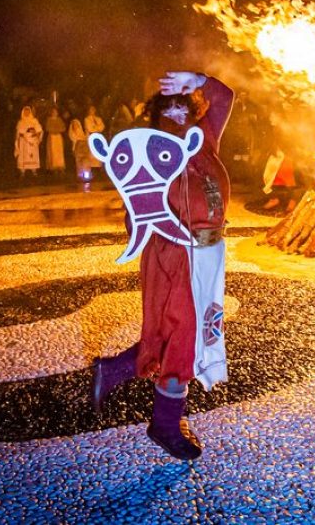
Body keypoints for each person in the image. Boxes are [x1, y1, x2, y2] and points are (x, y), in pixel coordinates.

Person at [91, 70, 234, 461]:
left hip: (209, 253)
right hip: (175, 253)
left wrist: (195, 78)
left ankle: (116, 370)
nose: (177, 114)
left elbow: (223, 97)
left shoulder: (203, 140)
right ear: (155, 117)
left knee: (191, 328)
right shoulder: (149, 154)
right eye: (168, 109)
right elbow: (135, 209)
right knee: (185, 336)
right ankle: (166, 425)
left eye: (183, 104)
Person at [14, 106, 43, 178]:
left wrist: (34, 134)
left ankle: (34, 170)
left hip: (32, 141)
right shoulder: (21, 122)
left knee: (33, 155)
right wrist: (20, 137)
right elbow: (18, 132)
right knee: (23, 156)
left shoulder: (34, 120)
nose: (27, 112)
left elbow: (39, 130)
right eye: (25, 111)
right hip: (24, 141)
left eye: (28, 111)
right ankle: (22, 172)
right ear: (23, 112)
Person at [44, 106, 67, 175]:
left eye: (56, 112)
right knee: (52, 152)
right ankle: (53, 168)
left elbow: (63, 128)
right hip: (52, 137)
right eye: (53, 112)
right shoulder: (49, 120)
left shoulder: (59, 120)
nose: (55, 113)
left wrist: (57, 130)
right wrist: (55, 130)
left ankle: (60, 167)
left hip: (58, 137)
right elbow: (48, 128)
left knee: (59, 152)